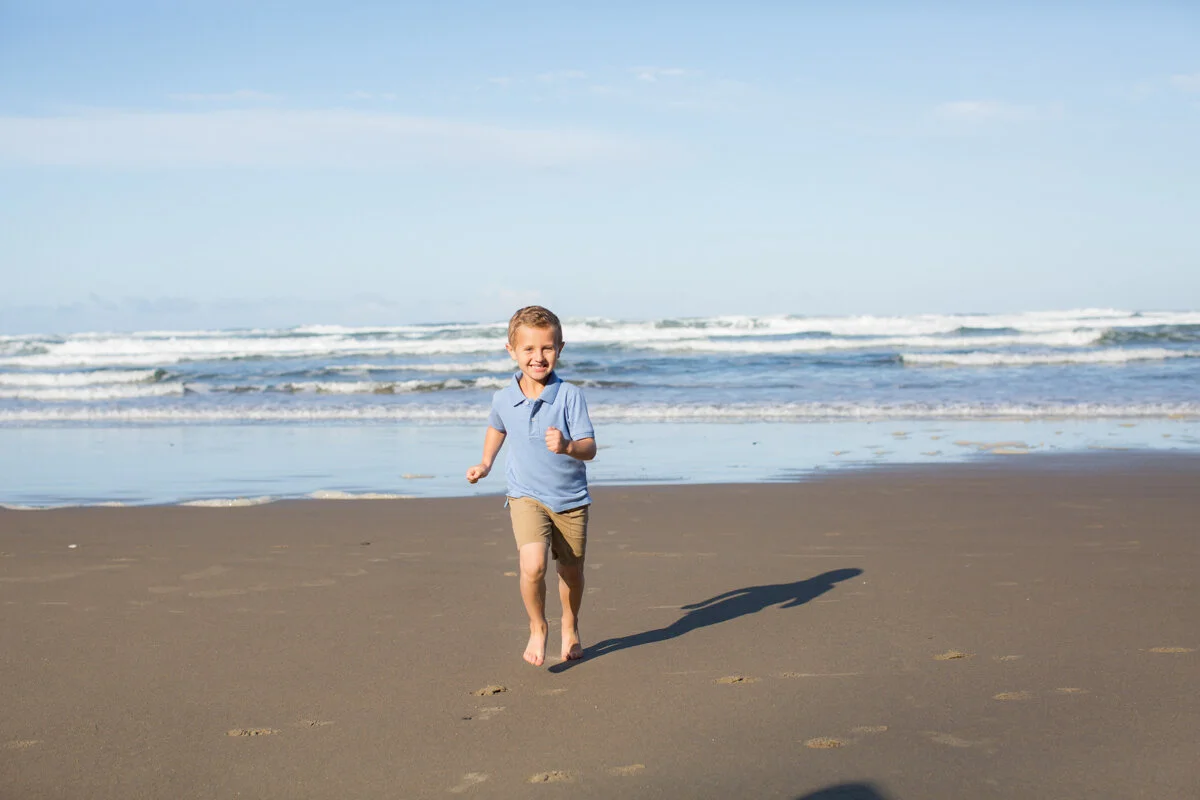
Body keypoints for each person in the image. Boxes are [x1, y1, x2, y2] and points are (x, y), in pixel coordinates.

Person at [466, 306, 597, 666]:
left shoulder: (570, 396)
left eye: (547, 348)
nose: (538, 357)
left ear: (560, 348)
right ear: (511, 350)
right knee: (532, 565)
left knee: (570, 571)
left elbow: (590, 448)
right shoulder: (503, 397)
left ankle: (569, 624)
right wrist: (486, 463)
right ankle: (538, 626)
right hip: (525, 495)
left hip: (570, 499)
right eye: (529, 349)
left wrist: (568, 446)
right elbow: (498, 425)